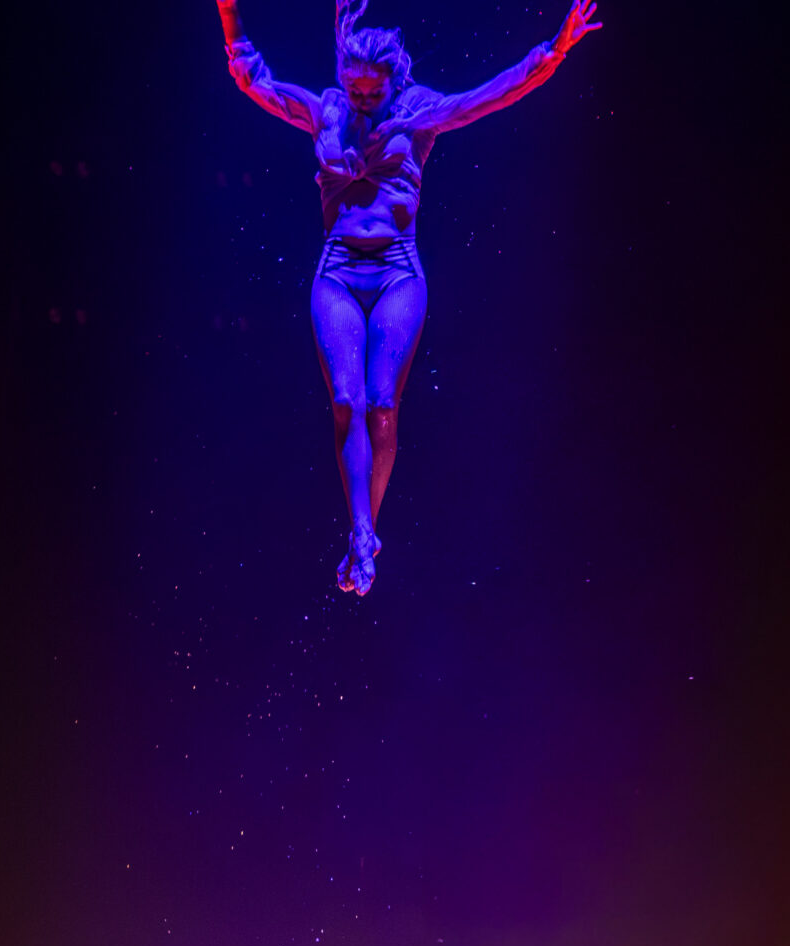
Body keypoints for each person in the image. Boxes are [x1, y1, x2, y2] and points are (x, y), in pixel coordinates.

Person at [215, 0, 601, 594]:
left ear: (395, 83)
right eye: (356, 90)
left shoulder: (419, 113)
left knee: (381, 405)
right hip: (337, 273)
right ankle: (361, 536)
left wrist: (551, 52)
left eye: (374, 93)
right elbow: (252, 78)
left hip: (398, 272)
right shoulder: (327, 110)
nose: (363, 100)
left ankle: (365, 532)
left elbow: (489, 96)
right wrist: (229, 11)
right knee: (346, 402)